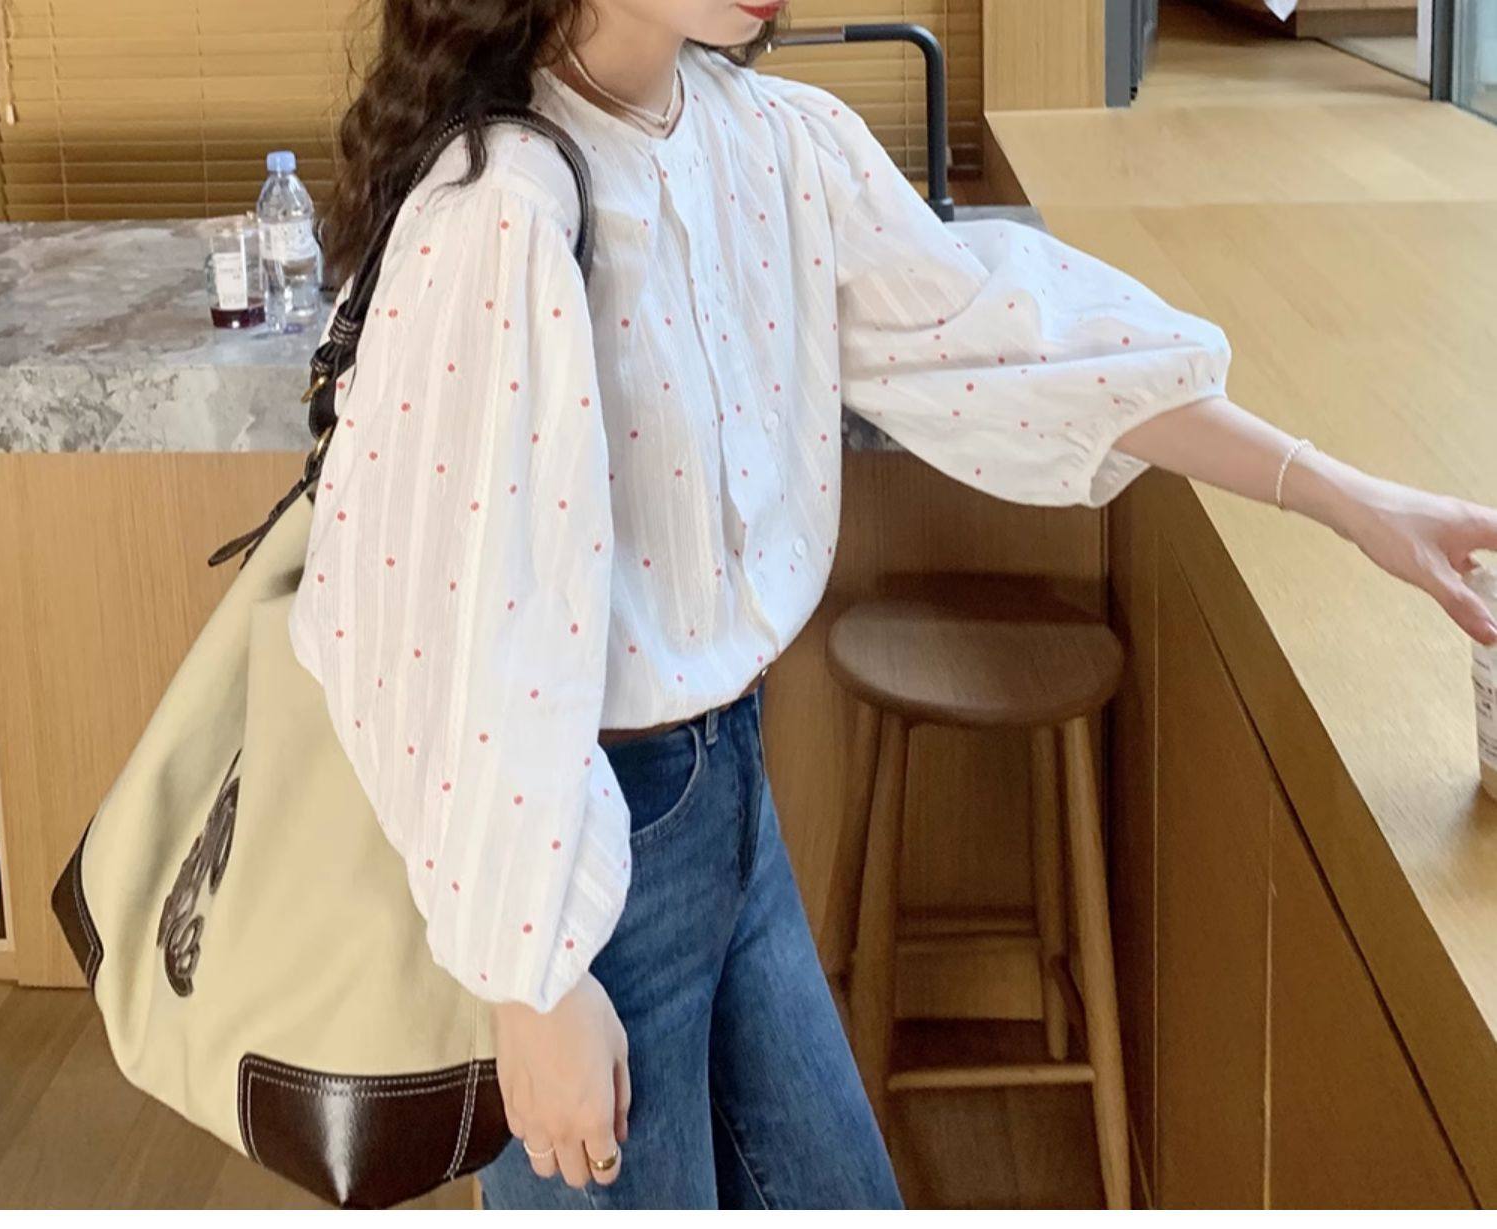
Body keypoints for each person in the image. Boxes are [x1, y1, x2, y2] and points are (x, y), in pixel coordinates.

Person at [288, 0, 1497, 1210]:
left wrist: (1345, 495)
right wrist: (531, 980)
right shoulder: (501, 209)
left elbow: (1014, 346)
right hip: (577, 858)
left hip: (730, 800)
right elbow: (428, 625)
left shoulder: (766, 140)